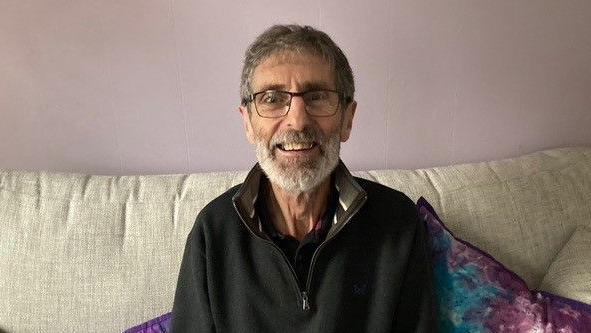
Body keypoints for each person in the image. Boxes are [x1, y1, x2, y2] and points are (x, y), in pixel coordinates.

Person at [172, 24, 436, 332]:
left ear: (347, 119)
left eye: (318, 96)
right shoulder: (213, 232)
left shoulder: (397, 222)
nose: (297, 120)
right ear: (247, 122)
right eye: (271, 98)